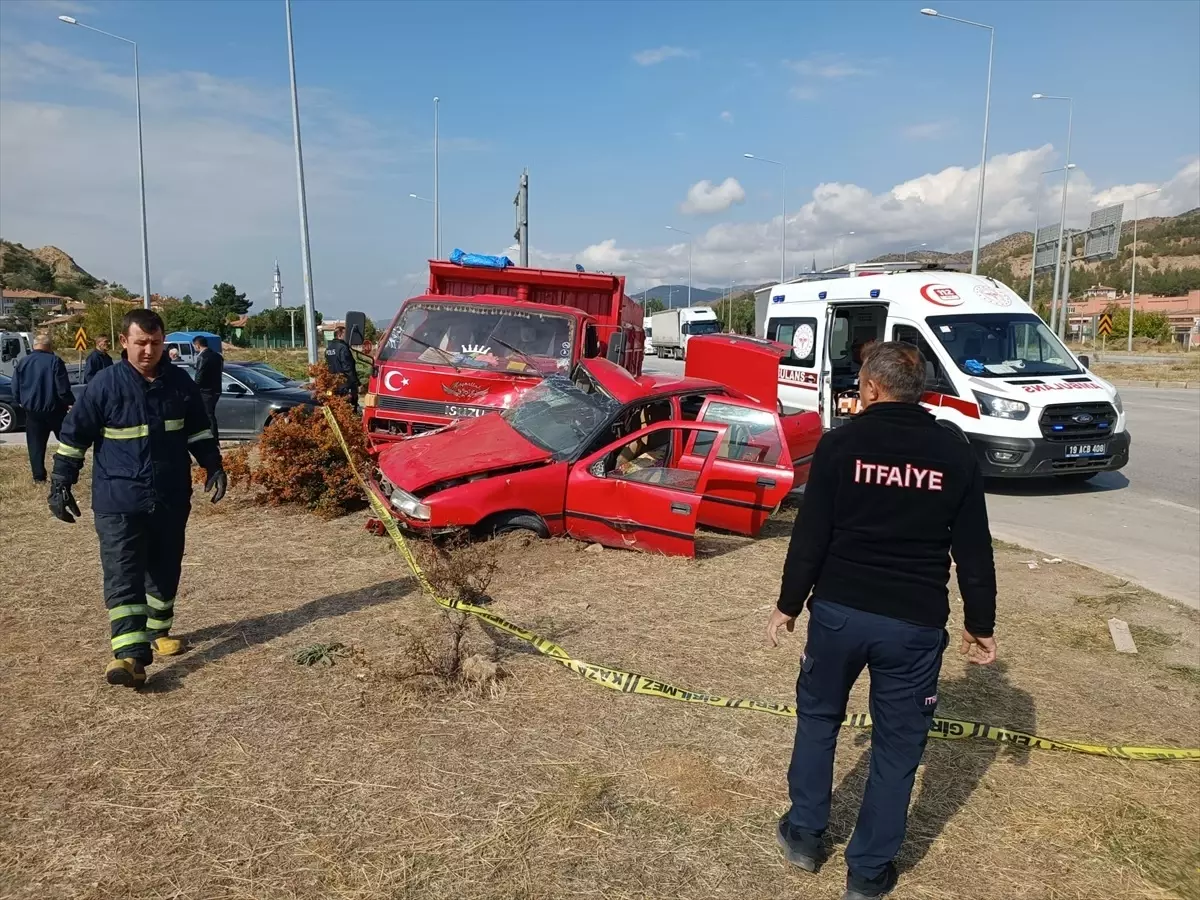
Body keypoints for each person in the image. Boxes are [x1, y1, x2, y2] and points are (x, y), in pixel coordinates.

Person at [766, 341, 997, 900]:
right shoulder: (953, 452)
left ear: (870, 387)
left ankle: (803, 835)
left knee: (819, 719)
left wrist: (789, 603)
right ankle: (868, 873)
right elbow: (974, 548)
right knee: (897, 747)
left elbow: (811, 534)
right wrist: (979, 621)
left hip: (840, 615)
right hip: (913, 626)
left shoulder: (842, 443)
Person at [49, 309, 227, 689]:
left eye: (156, 343)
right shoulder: (104, 386)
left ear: (164, 343)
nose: (148, 350)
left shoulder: (180, 384)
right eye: (141, 343)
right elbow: (74, 437)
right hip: (118, 499)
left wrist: (213, 465)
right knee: (124, 572)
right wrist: (61, 482)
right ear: (124, 343)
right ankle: (129, 655)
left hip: (170, 496)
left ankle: (159, 631)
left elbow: (198, 431)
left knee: (164, 568)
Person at [11, 332, 74, 483]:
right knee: (67, 442)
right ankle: (65, 471)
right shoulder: (55, 361)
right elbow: (62, 388)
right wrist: (71, 402)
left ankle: (38, 477)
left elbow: (15, 387)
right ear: (49, 346)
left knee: (35, 446)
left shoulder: (23, 362)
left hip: (32, 412)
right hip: (55, 410)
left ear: (34, 346)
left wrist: (21, 401)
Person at [192, 335, 224, 441]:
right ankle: (212, 438)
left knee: (208, 415)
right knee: (210, 413)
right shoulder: (218, 356)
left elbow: (199, 376)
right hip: (216, 389)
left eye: (194, 346)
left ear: (197, 345)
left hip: (205, 391)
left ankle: (213, 439)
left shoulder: (202, 357)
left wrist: (193, 388)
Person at [324, 325, 359, 411]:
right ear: (340, 335)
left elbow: (327, 366)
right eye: (345, 334)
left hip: (333, 385)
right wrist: (356, 383)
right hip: (345, 385)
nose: (346, 337)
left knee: (335, 408)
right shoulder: (343, 348)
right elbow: (347, 367)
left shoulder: (328, 349)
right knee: (349, 409)